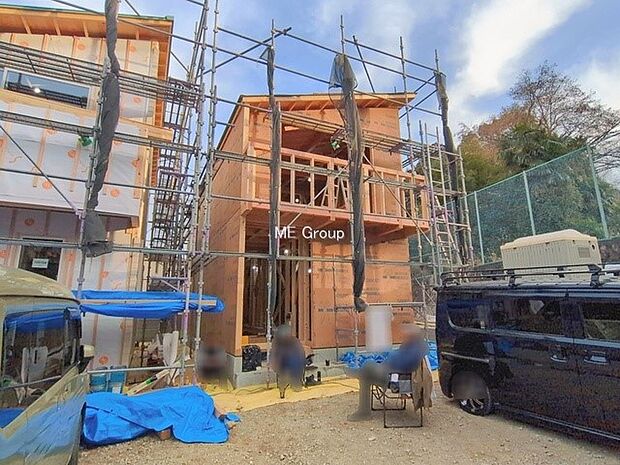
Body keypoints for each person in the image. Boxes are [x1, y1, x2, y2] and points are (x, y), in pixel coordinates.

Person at [347, 323, 428, 421]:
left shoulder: (415, 349)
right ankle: (363, 412)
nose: (404, 336)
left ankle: (363, 412)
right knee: (366, 374)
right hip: (391, 372)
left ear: (413, 335)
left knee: (368, 366)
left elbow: (405, 364)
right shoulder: (413, 345)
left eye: (406, 334)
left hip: (395, 377)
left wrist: (388, 364)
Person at [270, 322, 306, 398]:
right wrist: (275, 363)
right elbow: (274, 354)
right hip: (283, 363)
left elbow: (301, 355)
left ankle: (295, 380)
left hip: (294, 362)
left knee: (295, 360)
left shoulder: (294, 341)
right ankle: (283, 383)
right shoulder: (277, 342)